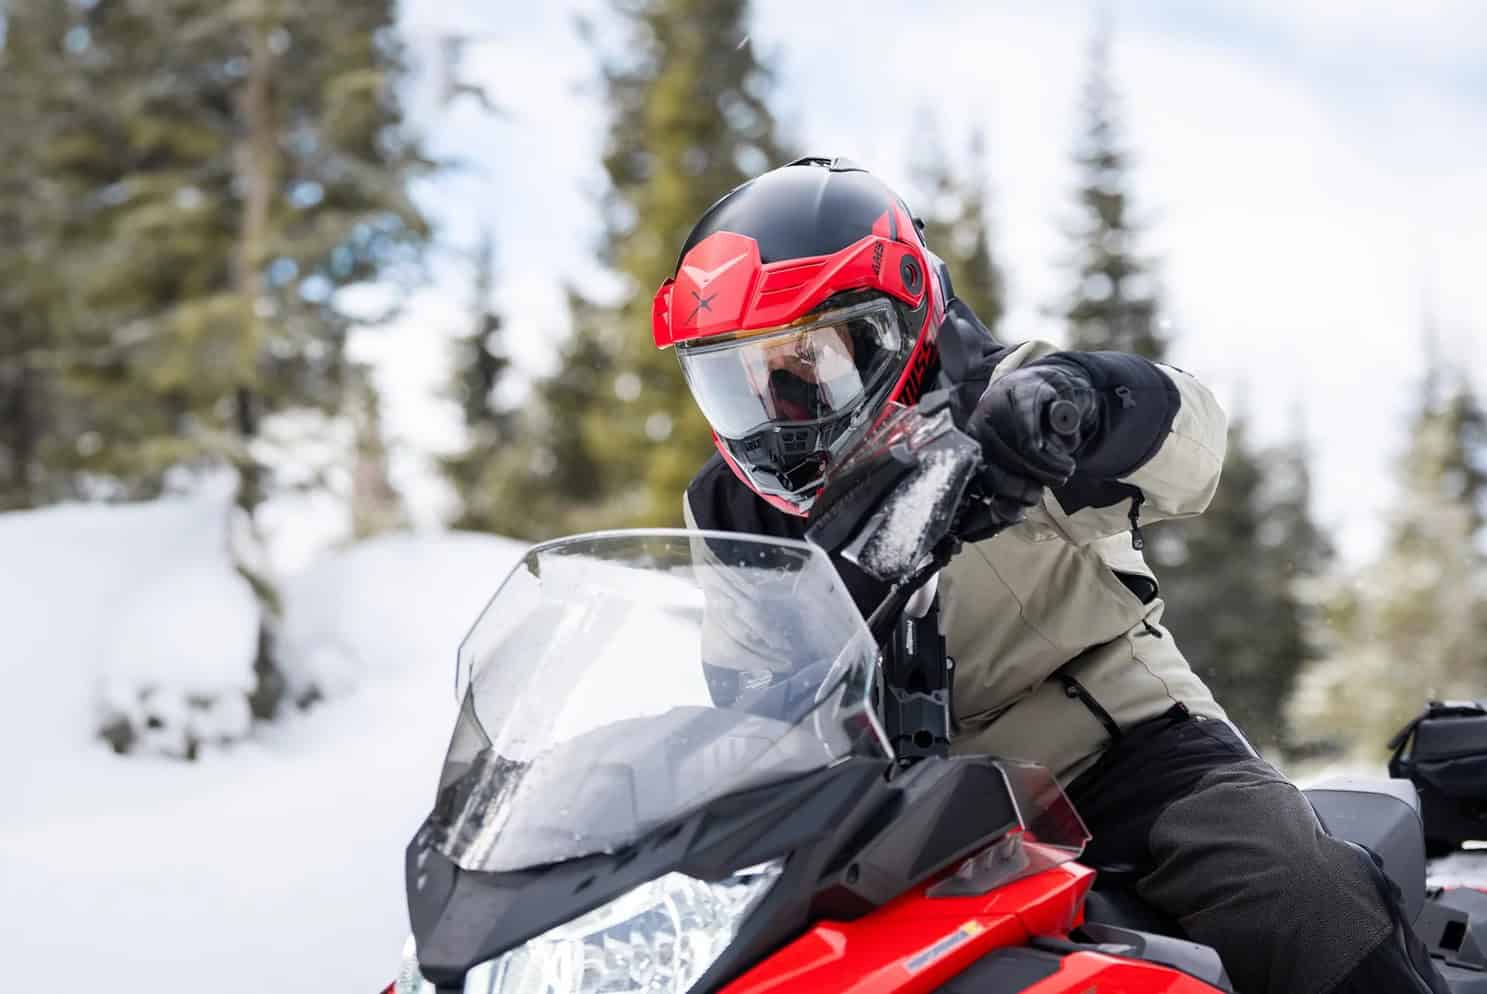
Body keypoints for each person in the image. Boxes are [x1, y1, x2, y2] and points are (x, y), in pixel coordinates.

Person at [650, 156, 1447, 994]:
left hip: (1127, 757)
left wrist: (1082, 402)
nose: (772, 407)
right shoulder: (729, 506)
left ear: (895, 325)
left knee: (1297, 891)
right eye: (733, 377)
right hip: (887, 811)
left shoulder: (1002, 402)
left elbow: (1192, 447)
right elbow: (755, 691)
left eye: (802, 361)